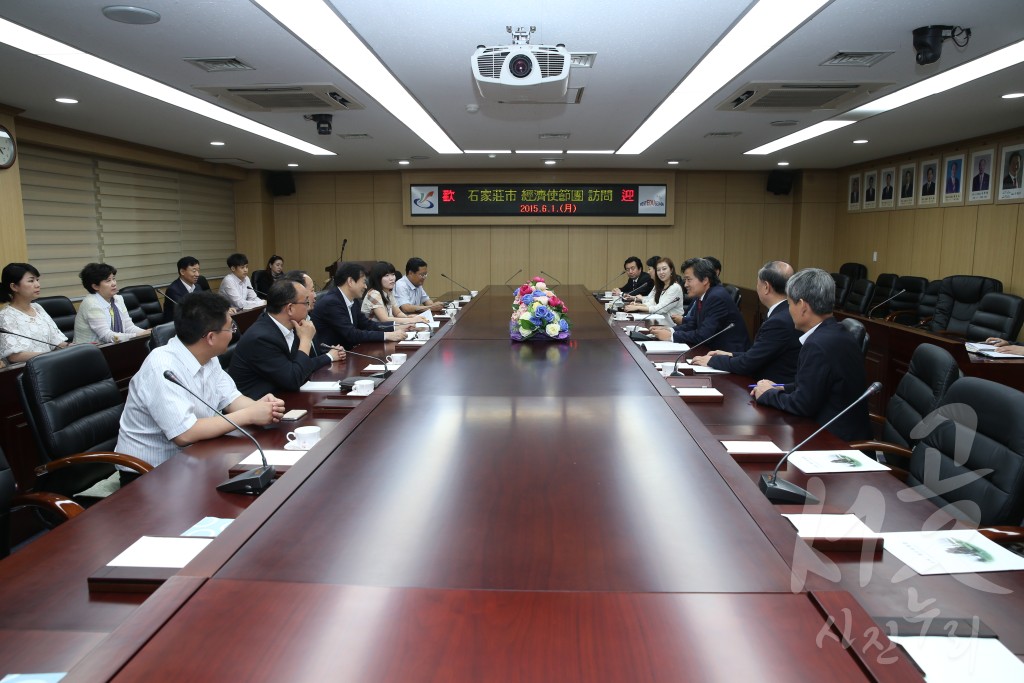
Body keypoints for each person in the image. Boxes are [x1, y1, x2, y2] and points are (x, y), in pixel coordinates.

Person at [115, 291, 285, 471]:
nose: (233, 333)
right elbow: (184, 433)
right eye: (231, 328)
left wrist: (262, 408)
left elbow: (231, 399)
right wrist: (249, 415)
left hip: (194, 456)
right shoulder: (162, 368)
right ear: (211, 337)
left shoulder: (208, 358)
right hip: (151, 471)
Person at [751, 268, 871, 441]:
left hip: (834, 442)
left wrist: (767, 394)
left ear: (803, 306)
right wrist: (781, 387)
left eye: (790, 303)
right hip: (840, 430)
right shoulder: (838, 332)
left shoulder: (817, 344)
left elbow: (802, 405)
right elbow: (815, 384)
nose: (788, 310)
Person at [228, 279, 344, 400]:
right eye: (306, 302)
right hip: (256, 408)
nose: (309, 307)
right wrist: (305, 340)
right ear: (290, 308)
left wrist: (328, 357)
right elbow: (293, 379)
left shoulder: (290, 326)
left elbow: (300, 365)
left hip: (282, 397)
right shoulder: (261, 338)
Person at [691, 261, 801, 383]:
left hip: (772, 387)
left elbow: (748, 364)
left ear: (766, 287)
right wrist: (730, 355)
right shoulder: (785, 312)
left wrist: (712, 361)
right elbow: (760, 353)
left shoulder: (779, 321)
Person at [650, 257, 749, 353]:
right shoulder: (703, 294)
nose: (685, 284)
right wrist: (670, 330)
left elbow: (703, 335)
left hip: (728, 354)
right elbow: (694, 324)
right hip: (710, 349)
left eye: (689, 279)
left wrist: (671, 336)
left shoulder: (716, 297)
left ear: (705, 280)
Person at [311, 261, 410, 349]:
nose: (365, 286)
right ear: (350, 282)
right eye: (363, 282)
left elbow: (367, 324)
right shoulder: (332, 302)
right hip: (331, 358)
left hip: (348, 352)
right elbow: (352, 334)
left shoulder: (353, 301)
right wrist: (388, 335)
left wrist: (396, 327)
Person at [0, 262, 69, 363]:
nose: (37, 285)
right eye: (31, 281)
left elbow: (56, 342)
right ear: (14, 287)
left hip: (51, 363)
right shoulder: (5, 316)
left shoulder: (37, 307)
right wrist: (52, 355)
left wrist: (74, 346)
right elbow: (15, 356)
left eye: (37, 280)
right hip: (29, 370)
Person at [73, 262, 151, 344]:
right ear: (95, 286)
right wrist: (136, 336)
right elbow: (107, 336)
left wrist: (146, 333)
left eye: (113, 278)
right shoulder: (91, 304)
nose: (114, 283)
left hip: (112, 347)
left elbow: (129, 327)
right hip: (90, 352)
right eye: (108, 281)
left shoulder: (118, 299)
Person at [362, 261, 428, 325]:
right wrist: (411, 320)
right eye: (386, 275)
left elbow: (397, 313)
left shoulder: (389, 292)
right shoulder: (374, 293)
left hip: (385, 329)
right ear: (377, 278)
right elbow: (384, 319)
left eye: (393, 274)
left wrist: (408, 317)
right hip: (374, 332)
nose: (391, 278)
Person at [163, 256, 203, 323]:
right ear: (182, 272)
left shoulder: (198, 287)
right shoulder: (173, 290)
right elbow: (186, 313)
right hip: (178, 327)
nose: (197, 274)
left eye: (198, 270)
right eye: (194, 271)